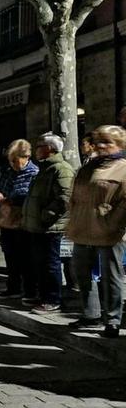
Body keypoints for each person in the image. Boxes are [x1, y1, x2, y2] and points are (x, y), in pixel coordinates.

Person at [68, 125, 126, 337]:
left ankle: (112, 320)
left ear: (119, 145)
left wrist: (112, 223)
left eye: (107, 142)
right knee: (81, 272)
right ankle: (90, 315)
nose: (101, 146)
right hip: (83, 228)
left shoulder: (123, 168)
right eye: (99, 141)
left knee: (111, 277)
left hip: (110, 232)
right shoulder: (88, 167)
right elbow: (74, 196)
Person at [22, 133, 74, 314]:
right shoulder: (45, 169)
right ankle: (44, 296)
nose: (36, 149)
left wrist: (46, 216)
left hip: (52, 228)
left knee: (51, 264)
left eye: (39, 145)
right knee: (41, 264)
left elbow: (64, 198)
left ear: (49, 149)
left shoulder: (61, 169)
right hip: (39, 227)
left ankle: (53, 299)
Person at [0, 140, 39, 300]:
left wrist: (11, 200)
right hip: (7, 219)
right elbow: (0, 186)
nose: (12, 163)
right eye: (10, 160)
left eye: (15, 160)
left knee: (26, 257)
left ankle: (30, 290)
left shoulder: (34, 173)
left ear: (26, 157)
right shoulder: (7, 171)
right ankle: (13, 287)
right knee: (10, 255)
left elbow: (30, 197)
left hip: (24, 221)